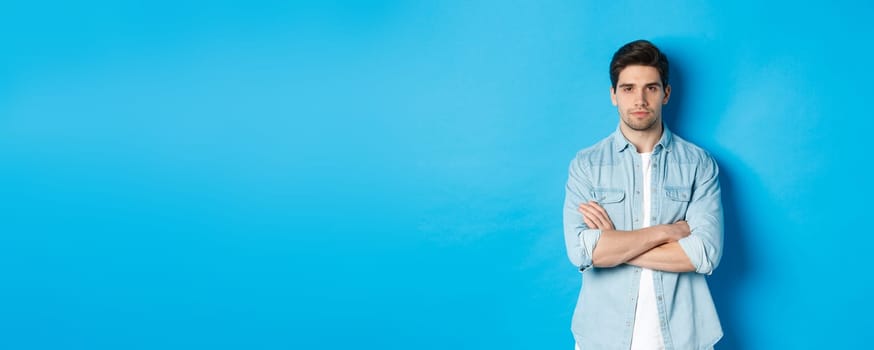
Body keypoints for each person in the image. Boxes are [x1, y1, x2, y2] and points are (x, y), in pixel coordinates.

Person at [563, 40, 724, 350]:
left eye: (650, 88)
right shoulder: (586, 165)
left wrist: (615, 244)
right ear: (613, 95)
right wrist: (668, 232)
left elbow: (704, 254)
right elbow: (582, 253)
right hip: (602, 337)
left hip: (683, 337)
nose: (639, 99)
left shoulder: (698, 165)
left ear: (666, 93)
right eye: (627, 89)